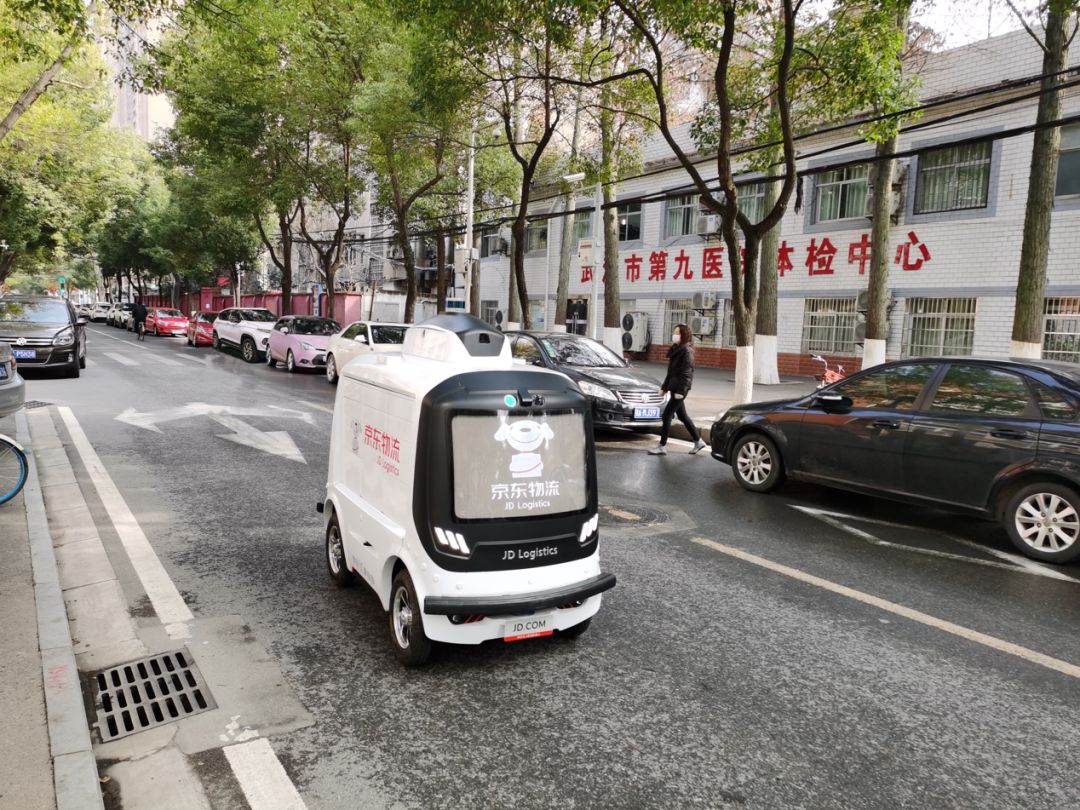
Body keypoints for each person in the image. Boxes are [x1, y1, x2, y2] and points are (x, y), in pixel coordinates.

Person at [649, 323, 707, 456]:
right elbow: (671, 373)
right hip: (674, 389)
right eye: (674, 332)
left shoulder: (687, 351)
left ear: (683, 335)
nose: (674, 335)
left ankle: (662, 446)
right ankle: (698, 441)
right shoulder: (677, 349)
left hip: (680, 391)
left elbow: (687, 373)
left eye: (677, 333)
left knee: (666, 415)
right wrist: (664, 388)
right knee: (682, 416)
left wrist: (682, 391)